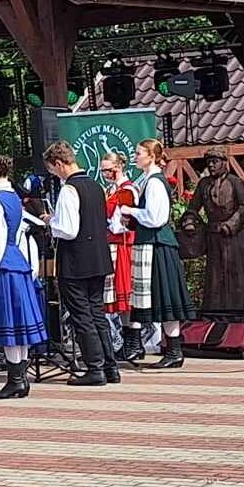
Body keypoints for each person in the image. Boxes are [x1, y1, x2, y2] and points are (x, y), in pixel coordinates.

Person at [0, 157, 47, 399]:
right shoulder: (14, 197)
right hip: (18, 263)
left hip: (2, 266)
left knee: (11, 326)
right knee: (20, 326)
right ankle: (20, 379)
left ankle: (16, 380)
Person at [44, 142, 120, 385]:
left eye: (52, 170)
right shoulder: (96, 185)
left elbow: (68, 229)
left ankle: (95, 367)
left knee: (81, 314)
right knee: (97, 311)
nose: (53, 175)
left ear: (58, 164)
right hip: (98, 257)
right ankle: (110, 366)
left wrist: (50, 221)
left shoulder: (69, 189)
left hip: (76, 260)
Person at [116, 138, 195, 368]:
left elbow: (156, 218)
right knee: (160, 299)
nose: (135, 156)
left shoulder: (155, 183)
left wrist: (132, 210)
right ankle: (168, 350)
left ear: (151, 156)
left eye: (139, 153)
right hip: (152, 245)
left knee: (166, 299)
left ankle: (175, 351)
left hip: (159, 247)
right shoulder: (148, 181)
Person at [193, 145, 244, 350]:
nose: (211, 165)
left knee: (241, 281)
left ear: (225, 162)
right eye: (209, 162)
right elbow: (192, 207)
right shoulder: (204, 185)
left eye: (215, 161)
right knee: (215, 282)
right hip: (214, 240)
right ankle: (216, 328)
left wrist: (231, 224)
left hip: (236, 240)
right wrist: (190, 220)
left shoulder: (235, 182)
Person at [101, 152, 142, 361]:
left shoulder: (127, 190)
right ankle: (130, 341)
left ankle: (134, 342)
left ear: (117, 168)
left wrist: (105, 222)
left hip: (124, 246)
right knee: (120, 298)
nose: (105, 174)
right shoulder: (113, 190)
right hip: (114, 246)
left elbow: (123, 223)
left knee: (128, 294)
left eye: (107, 170)